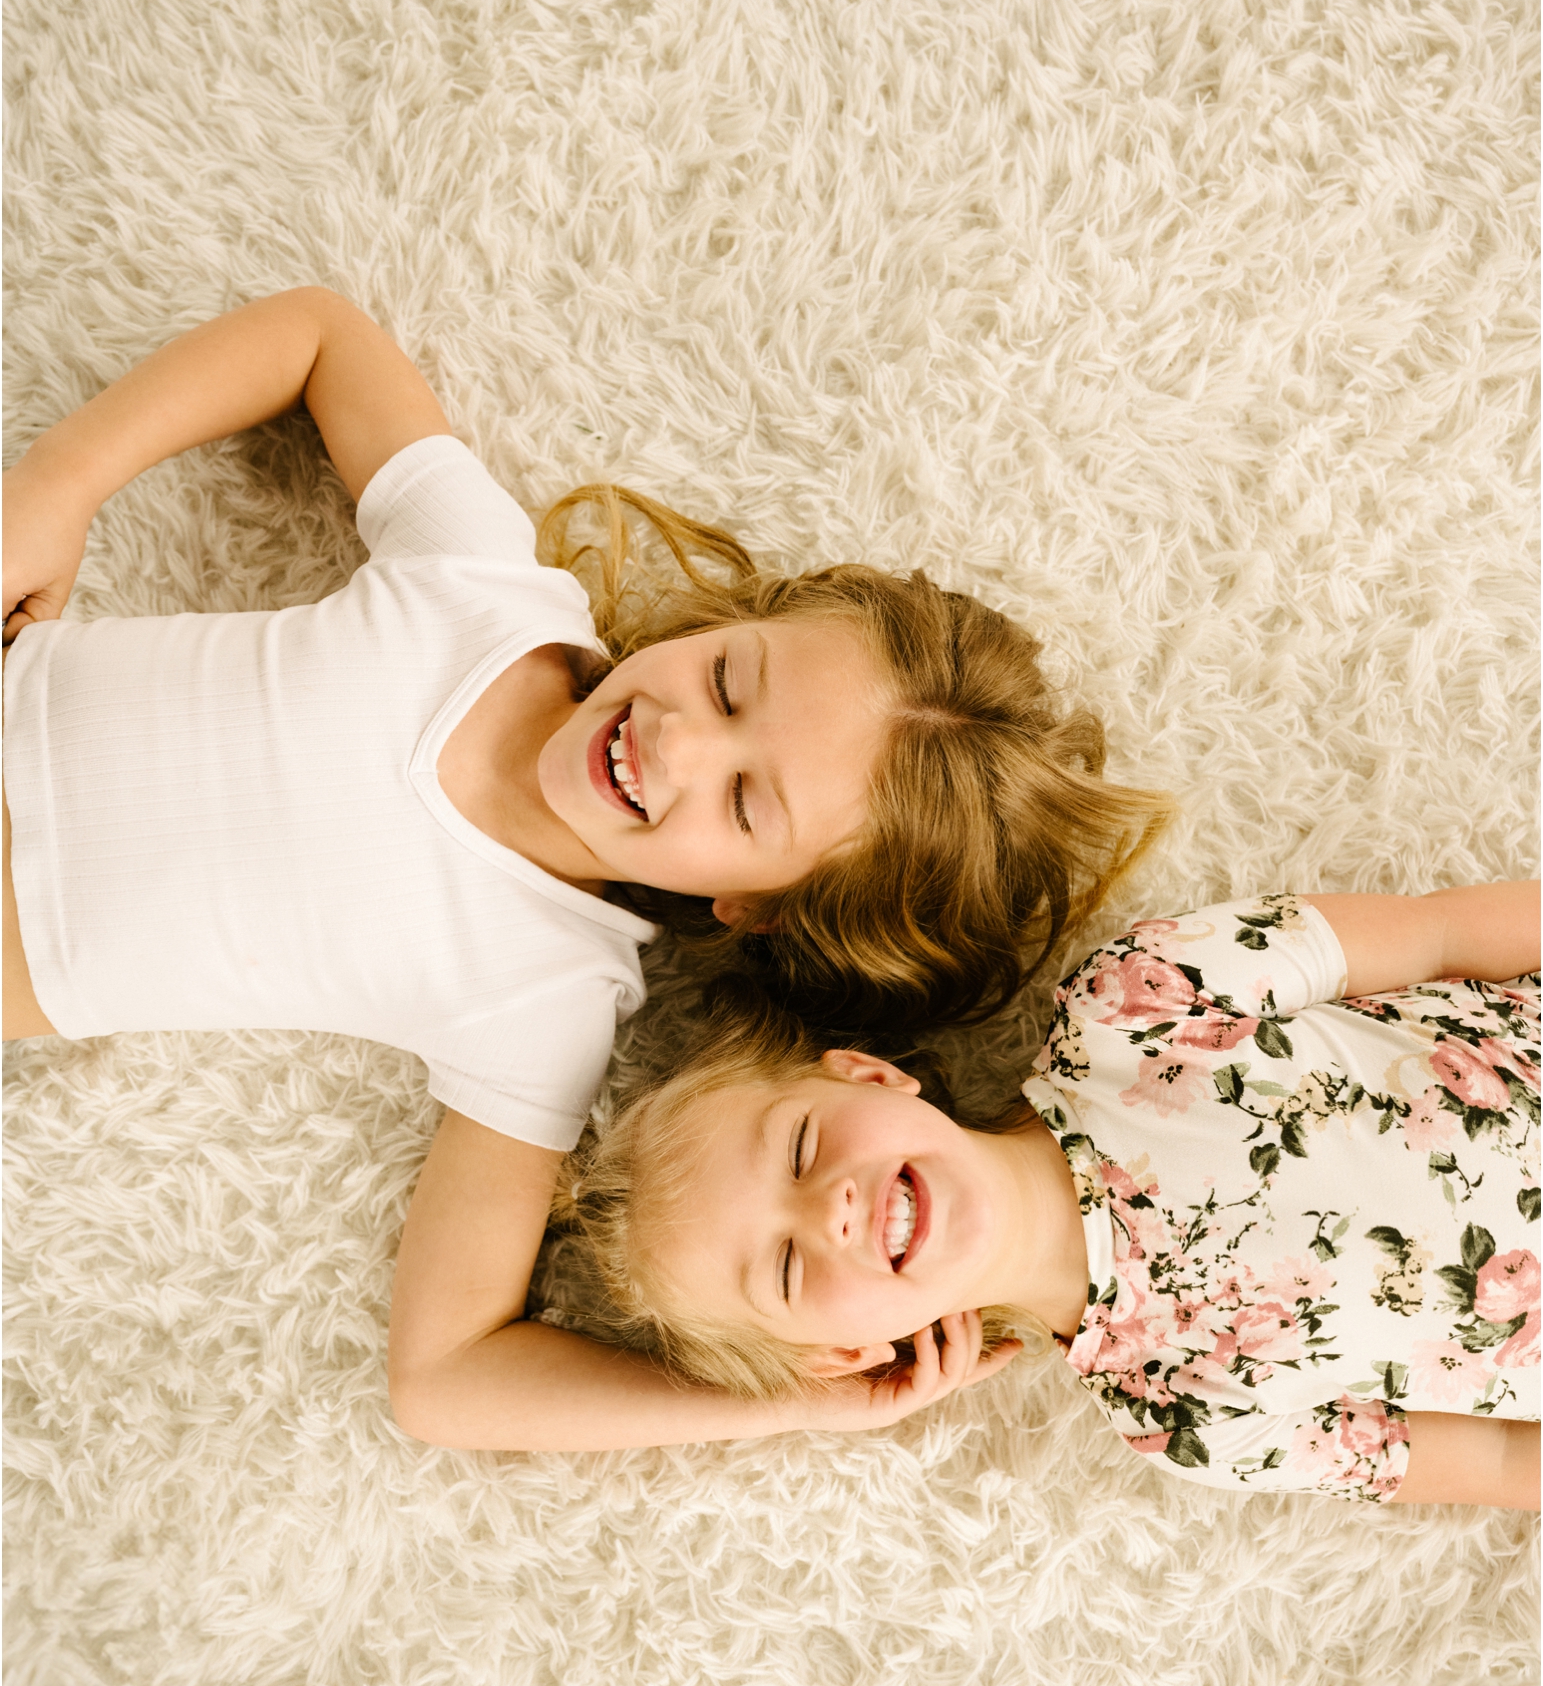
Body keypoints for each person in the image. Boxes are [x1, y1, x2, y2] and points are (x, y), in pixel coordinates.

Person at [3, 288, 1164, 1448]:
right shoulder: (488, 590)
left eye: (746, 802)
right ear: (733, 622)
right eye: (725, 682)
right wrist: (63, 480)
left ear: (754, 905)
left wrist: (793, 1404)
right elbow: (318, 335)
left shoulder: (543, 1002)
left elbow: (447, 1380)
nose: (679, 741)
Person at [574, 883, 1540, 1504]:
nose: (823, 1209)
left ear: (865, 1074)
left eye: (796, 1149)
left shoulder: (1132, 1001)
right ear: (845, 1355)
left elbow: (1439, 930)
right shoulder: (1178, 1411)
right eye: (783, 1265)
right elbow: (1495, 1461)